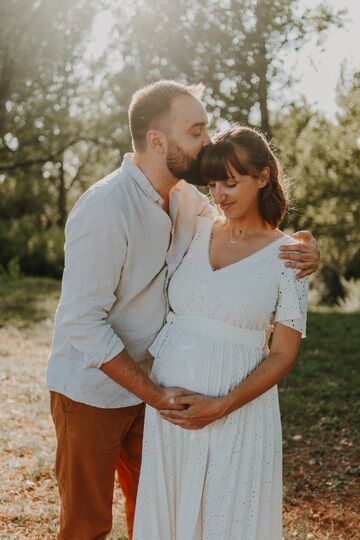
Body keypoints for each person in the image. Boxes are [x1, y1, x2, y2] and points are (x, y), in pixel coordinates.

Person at [47, 81, 319, 540]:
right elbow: (82, 323)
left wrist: (308, 249)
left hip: (155, 392)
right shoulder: (106, 208)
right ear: (157, 140)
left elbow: (254, 232)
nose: (207, 141)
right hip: (94, 391)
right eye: (196, 131)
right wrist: (156, 395)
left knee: (154, 516)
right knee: (87, 525)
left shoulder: (187, 201)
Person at [133, 125, 309, 540]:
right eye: (213, 184)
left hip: (240, 415)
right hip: (171, 413)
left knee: (227, 519)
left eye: (231, 183)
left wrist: (223, 404)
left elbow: (284, 353)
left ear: (263, 176)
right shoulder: (194, 226)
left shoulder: (289, 257)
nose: (220, 195)